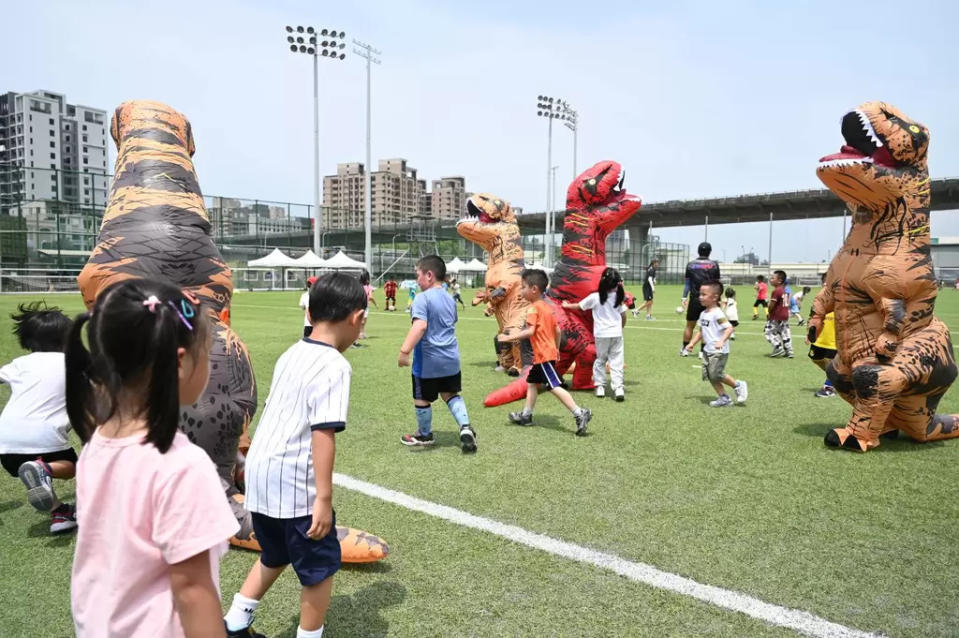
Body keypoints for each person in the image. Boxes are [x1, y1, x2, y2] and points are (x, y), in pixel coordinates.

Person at [66, 279, 239, 638]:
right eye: (205, 351)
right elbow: (192, 591)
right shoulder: (182, 466)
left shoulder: (98, 443)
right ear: (179, 362)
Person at [224, 272, 367, 638]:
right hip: (294, 482)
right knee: (319, 569)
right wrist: (322, 498)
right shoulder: (335, 365)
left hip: (260, 475)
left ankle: (235, 622)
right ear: (356, 318)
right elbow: (323, 434)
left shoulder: (293, 352)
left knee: (274, 553)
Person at [0, 302, 77, 534]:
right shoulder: (72, 362)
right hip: (44, 435)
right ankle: (45, 470)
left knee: (33, 471)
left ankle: (59, 514)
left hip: (6, 442)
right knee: (72, 468)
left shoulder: (20, 364)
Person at [397, 256, 477, 453]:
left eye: (418, 275)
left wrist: (404, 351)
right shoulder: (450, 298)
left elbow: (421, 325)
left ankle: (424, 435)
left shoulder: (422, 298)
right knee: (450, 394)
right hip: (451, 358)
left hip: (428, 361)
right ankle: (465, 427)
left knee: (422, 398)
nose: (417, 280)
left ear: (429, 275)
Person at [502, 269, 593, 435]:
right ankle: (526, 415)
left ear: (534, 289)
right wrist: (556, 349)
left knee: (553, 386)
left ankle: (580, 413)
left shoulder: (533, 309)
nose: (521, 290)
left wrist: (511, 336)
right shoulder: (546, 308)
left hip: (543, 355)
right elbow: (557, 331)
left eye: (523, 287)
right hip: (546, 354)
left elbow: (530, 332)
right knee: (532, 383)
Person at [562, 267, 627, 401]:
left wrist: (567, 306)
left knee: (600, 360)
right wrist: (620, 327)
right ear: (617, 283)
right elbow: (623, 315)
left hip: (601, 334)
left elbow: (579, 306)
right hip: (616, 333)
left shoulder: (595, 297)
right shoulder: (618, 297)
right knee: (616, 361)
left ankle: (600, 387)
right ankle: (618, 388)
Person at [682, 281, 748, 407]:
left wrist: (721, 341)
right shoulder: (703, 314)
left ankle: (738, 385)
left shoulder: (717, 313)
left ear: (715, 297)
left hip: (719, 351)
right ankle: (724, 398)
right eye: (700, 294)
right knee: (710, 376)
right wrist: (691, 344)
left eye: (703, 294)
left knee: (716, 374)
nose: (700, 297)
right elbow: (701, 331)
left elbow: (729, 328)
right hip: (708, 350)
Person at [680, 242, 720, 356]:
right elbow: (716, 284)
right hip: (710, 299)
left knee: (689, 325)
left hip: (695, 298)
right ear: (710, 251)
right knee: (706, 326)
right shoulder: (714, 265)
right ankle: (703, 351)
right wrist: (718, 298)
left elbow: (687, 284)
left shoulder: (691, 265)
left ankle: (685, 349)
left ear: (698, 251)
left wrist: (684, 297)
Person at [807, 310, 838, 398]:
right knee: (815, 359)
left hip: (834, 341)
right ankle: (839, 376)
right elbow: (813, 317)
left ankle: (829, 388)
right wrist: (809, 333)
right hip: (819, 339)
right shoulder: (822, 300)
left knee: (832, 364)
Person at [764, 270, 794, 358]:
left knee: (768, 331)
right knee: (785, 333)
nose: (770, 279)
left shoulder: (776, 291)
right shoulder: (784, 291)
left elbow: (771, 306)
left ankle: (777, 347)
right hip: (785, 315)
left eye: (773, 278)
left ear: (779, 280)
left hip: (776, 316)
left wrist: (769, 312)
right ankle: (789, 350)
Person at [357, 270, 378, 342]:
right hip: (365, 306)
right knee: (363, 321)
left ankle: (361, 333)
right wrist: (376, 304)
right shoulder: (369, 287)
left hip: (357, 305)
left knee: (360, 320)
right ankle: (360, 333)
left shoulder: (358, 286)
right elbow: (370, 297)